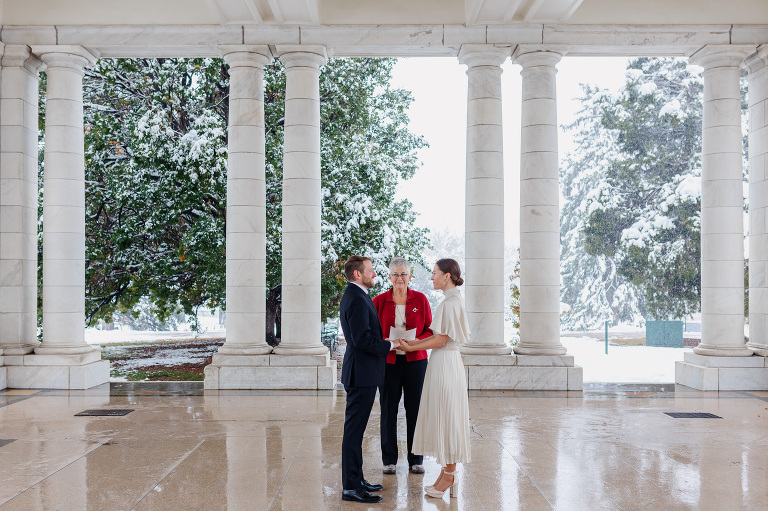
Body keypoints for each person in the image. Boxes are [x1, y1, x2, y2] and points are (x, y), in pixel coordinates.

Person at [399, 258, 471, 499]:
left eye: (435, 273)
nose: (431, 277)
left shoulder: (450, 304)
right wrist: (415, 343)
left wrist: (411, 348)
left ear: (447, 276)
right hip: (444, 361)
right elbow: (440, 337)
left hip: (445, 363)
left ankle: (450, 475)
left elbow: (441, 340)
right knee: (444, 413)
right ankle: (446, 472)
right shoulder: (450, 301)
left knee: (448, 415)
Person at [339, 255, 401, 504]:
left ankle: (357, 479)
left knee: (357, 431)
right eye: (371, 270)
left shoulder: (358, 294)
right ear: (357, 274)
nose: (374, 274)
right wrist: (390, 344)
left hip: (364, 373)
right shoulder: (355, 298)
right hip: (360, 374)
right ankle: (351, 487)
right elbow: (361, 339)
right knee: (353, 432)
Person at [373, 257, 432, 475]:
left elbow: (429, 330)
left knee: (415, 410)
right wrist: (388, 343)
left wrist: (415, 342)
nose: (400, 278)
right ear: (389, 277)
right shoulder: (379, 301)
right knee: (388, 409)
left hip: (415, 361)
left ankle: (416, 459)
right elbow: (372, 333)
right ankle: (389, 460)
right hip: (388, 363)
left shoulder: (421, 299)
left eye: (403, 274)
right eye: (396, 274)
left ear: (410, 276)